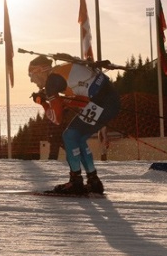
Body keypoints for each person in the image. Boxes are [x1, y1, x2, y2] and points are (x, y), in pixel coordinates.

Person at [28, 55, 121, 195]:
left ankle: (76, 182)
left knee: (69, 135)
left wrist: (43, 103)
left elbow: (56, 119)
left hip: (102, 102)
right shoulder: (60, 71)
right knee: (78, 137)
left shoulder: (52, 82)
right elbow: (83, 101)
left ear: (39, 71)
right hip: (109, 100)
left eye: (31, 75)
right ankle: (93, 181)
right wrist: (61, 101)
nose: (31, 80)